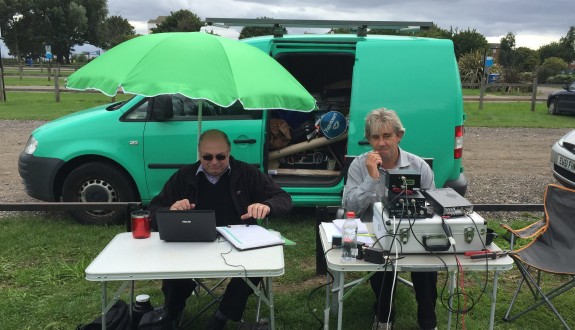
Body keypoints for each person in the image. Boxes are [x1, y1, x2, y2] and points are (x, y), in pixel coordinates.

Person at [147, 129, 293, 330]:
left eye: (221, 156)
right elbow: (153, 210)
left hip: (239, 244)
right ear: (199, 154)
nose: (214, 162)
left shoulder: (246, 173)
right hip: (191, 243)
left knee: (255, 266)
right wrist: (170, 210)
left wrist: (267, 206)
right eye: (207, 157)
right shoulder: (184, 176)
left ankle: (222, 317)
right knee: (173, 265)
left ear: (229, 152)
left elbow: (284, 199)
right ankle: (172, 310)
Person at [342, 108, 437, 330]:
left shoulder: (418, 166)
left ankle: (427, 319)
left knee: (427, 266)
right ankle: (384, 316)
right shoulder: (359, 165)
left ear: (399, 136)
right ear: (368, 139)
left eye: (387, 136)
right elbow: (348, 207)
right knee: (382, 263)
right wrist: (372, 179)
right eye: (375, 137)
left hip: (412, 232)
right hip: (373, 234)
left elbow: (433, 207)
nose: (381, 143)